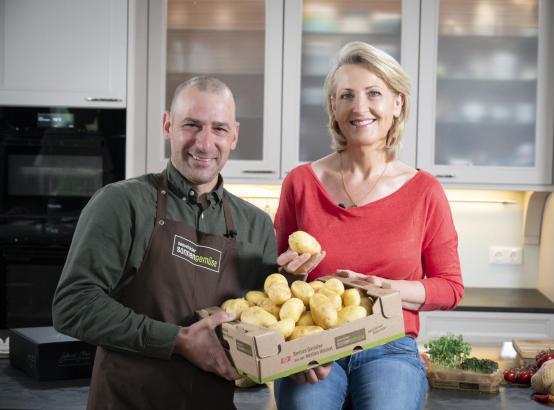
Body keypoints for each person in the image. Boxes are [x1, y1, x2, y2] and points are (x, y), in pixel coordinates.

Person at [52, 76, 278, 410]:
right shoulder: (122, 203)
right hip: (126, 401)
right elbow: (73, 304)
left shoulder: (256, 225)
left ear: (234, 136)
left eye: (218, 128)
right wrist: (177, 340)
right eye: (191, 125)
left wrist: (302, 359)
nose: (203, 143)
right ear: (167, 125)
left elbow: (262, 325)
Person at [274, 42, 464, 410]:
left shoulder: (425, 191)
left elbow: (450, 287)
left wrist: (388, 288)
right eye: (346, 95)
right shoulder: (300, 183)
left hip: (389, 346)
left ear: (398, 103)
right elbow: (275, 277)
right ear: (333, 107)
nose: (359, 108)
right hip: (315, 345)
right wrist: (292, 277)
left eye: (374, 93)